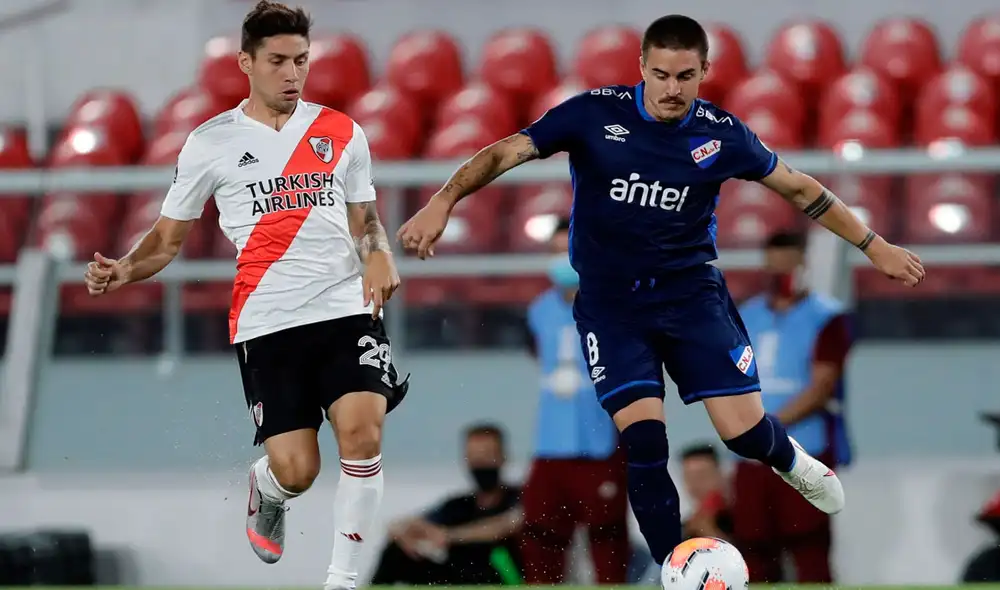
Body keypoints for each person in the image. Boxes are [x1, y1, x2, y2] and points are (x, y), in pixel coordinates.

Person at [397, 13, 925, 567]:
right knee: (644, 441)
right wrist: (444, 198)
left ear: (705, 71)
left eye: (686, 76)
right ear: (642, 68)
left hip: (691, 298)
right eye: (662, 74)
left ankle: (791, 461)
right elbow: (507, 150)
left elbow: (798, 187)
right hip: (612, 307)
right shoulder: (594, 114)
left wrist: (874, 245)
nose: (672, 89)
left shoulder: (722, 135)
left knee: (741, 435)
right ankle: (679, 565)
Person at [81, 2, 409, 589]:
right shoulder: (212, 143)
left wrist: (379, 250)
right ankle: (271, 486)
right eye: (279, 61)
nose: (293, 74)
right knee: (300, 468)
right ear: (245, 63)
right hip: (268, 320)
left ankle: (343, 581)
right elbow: (165, 240)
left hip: (345, 309)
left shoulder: (341, 131)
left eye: (302, 61)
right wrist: (123, 271)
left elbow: (365, 219)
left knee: (363, 432)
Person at [732, 230, 853, 583]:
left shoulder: (827, 316)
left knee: (809, 547)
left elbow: (822, 386)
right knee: (753, 549)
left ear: (804, 264)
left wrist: (765, 426)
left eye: (788, 264)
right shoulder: (746, 314)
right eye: (774, 266)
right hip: (751, 455)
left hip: (805, 449)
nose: (780, 273)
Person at [519, 217, 630, 584]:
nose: (560, 260)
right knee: (540, 536)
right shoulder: (537, 311)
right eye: (553, 252)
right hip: (551, 442)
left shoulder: (617, 306)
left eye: (565, 251)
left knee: (607, 538)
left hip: (600, 441)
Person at [371, 424, 522, 586]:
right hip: (460, 574)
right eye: (474, 457)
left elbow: (507, 525)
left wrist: (448, 536)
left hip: (501, 576)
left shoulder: (520, 497)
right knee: (396, 552)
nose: (480, 464)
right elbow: (401, 525)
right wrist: (406, 534)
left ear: (502, 457)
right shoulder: (459, 505)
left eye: (486, 456)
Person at [679, 444, 732, 541]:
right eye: (690, 477)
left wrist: (709, 531)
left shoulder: (743, 518)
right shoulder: (684, 528)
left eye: (702, 475)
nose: (696, 483)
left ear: (720, 475)